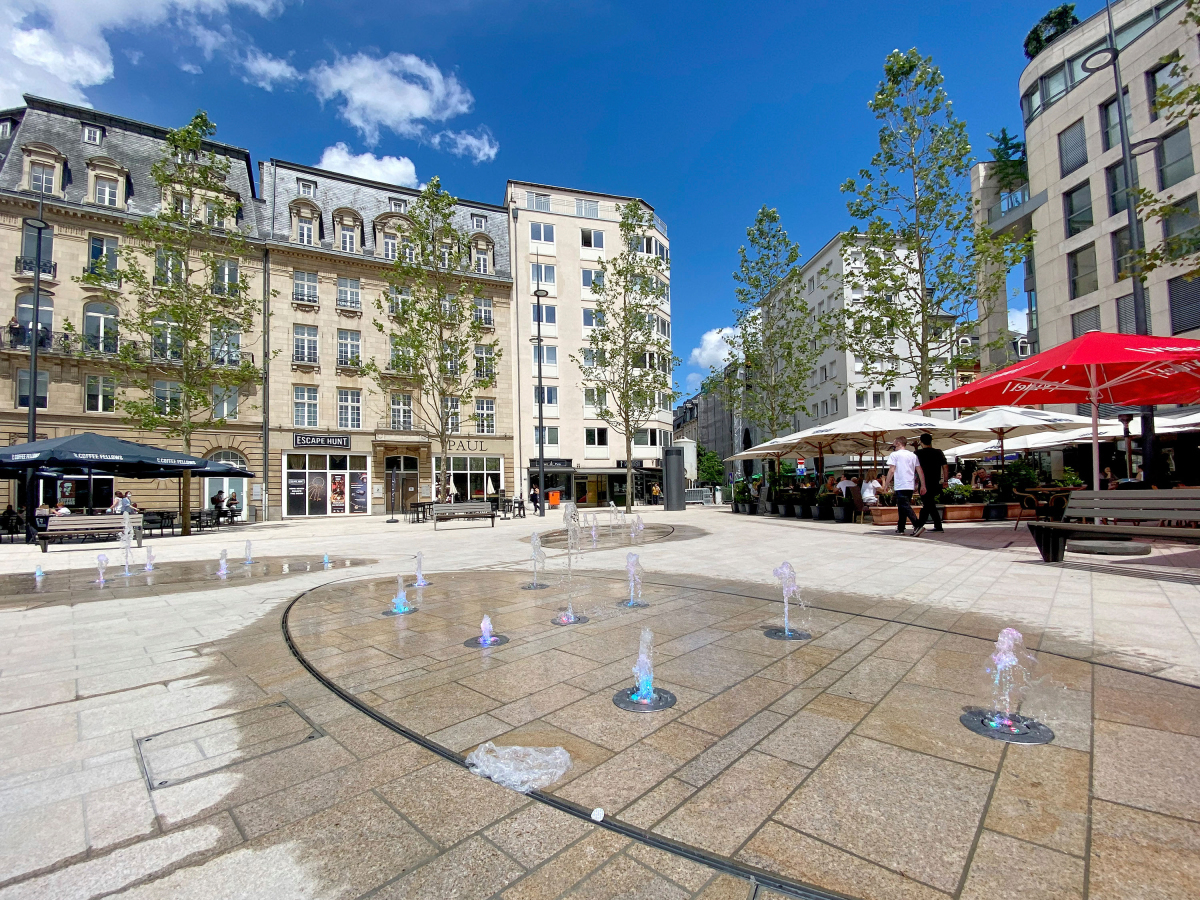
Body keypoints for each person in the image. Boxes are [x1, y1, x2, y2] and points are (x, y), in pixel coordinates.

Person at [884, 436, 926, 536]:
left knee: (904, 505)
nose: (893, 445)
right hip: (910, 484)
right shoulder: (912, 455)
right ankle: (901, 527)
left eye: (894, 442)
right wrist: (923, 484)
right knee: (902, 506)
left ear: (898, 443)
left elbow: (892, 470)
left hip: (900, 484)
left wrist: (886, 484)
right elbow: (919, 470)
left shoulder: (894, 455)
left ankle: (917, 525)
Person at [914, 433, 948, 533]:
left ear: (921, 442)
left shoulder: (918, 453)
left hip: (923, 482)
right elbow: (945, 467)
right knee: (929, 503)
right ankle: (936, 525)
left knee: (927, 504)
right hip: (935, 482)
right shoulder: (938, 452)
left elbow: (915, 467)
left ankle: (919, 524)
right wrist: (945, 480)